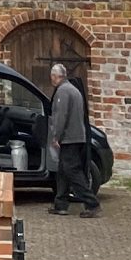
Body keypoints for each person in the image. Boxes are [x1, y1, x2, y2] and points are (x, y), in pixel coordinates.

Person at [46, 62, 98, 216]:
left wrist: (56, 136)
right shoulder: (74, 90)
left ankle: (92, 204)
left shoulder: (63, 92)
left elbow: (61, 116)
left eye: (52, 77)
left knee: (72, 170)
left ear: (56, 76)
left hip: (69, 138)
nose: (51, 80)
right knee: (62, 171)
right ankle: (60, 204)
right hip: (76, 136)